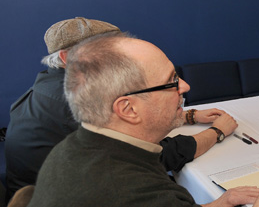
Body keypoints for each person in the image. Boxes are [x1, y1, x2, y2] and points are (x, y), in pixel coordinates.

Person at [28, 32, 259, 207]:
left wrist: (220, 201)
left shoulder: (78, 148)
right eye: (171, 81)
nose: (185, 87)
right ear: (128, 109)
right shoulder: (132, 191)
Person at [4, 17, 237, 197]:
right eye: (104, 50)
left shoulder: (47, 83)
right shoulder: (75, 103)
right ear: (66, 58)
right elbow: (150, 156)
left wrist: (188, 116)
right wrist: (216, 132)